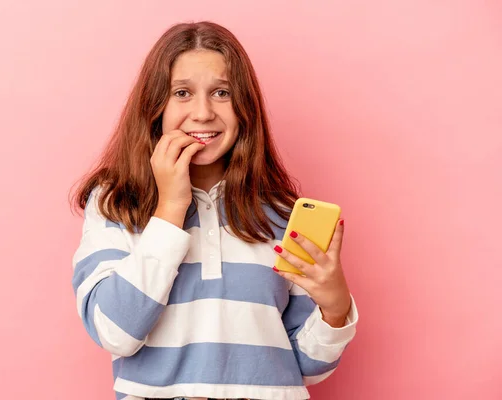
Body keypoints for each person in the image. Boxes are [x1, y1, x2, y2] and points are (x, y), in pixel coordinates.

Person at [70, 21, 358, 400]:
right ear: (154, 106)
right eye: (183, 93)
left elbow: (305, 367)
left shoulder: (281, 214)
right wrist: (170, 208)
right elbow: (114, 333)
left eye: (221, 92)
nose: (203, 113)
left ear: (244, 108)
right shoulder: (116, 203)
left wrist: (335, 308)